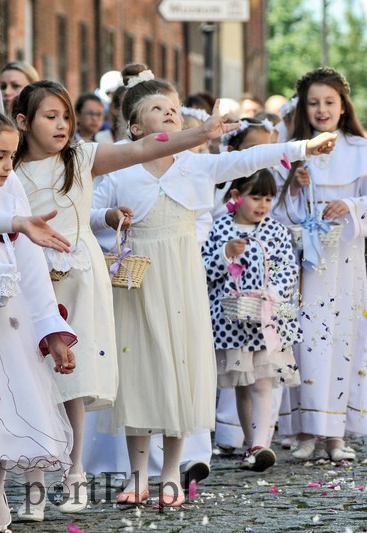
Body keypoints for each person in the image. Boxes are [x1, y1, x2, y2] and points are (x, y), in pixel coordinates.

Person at [90, 72, 335, 506]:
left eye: (174, 108)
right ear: (135, 128)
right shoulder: (120, 170)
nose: (169, 113)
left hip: (182, 281)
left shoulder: (197, 166)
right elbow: (88, 209)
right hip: (138, 282)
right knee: (139, 371)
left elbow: (251, 158)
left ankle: (170, 473)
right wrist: (109, 217)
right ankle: (137, 475)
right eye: (157, 110)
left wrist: (304, 148)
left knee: (180, 370)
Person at [9, 78, 243, 518]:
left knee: (72, 383)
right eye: (49, 116)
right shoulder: (10, 169)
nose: (61, 125)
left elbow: (140, 150)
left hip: (78, 279)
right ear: (22, 122)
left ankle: (75, 474)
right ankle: (34, 486)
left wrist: (199, 134)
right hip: (27, 283)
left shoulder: (80, 158)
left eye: (66, 117)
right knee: (29, 382)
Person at [276, 67, 367, 462]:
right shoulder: (291, 148)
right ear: (302, 109)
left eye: (329, 102)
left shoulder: (362, 151)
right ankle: (307, 430)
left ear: (343, 106)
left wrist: (352, 206)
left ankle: (337, 435)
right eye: (313, 103)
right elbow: (274, 208)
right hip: (301, 266)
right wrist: (295, 186)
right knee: (304, 342)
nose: (322, 110)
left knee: (342, 340)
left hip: (342, 262)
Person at [0, 112, 77, 530]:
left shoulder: (10, 186)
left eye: (11, 156)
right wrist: (14, 223)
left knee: (4, 419)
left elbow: (30, 267)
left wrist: (51, 331)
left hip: (6, 327)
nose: (7, 167)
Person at [202, 170, 301, 471]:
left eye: (268, 198)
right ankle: (250, 443)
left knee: (263, 381)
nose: (263, 205)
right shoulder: (220, 229)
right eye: (256, 197)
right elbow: (205, 270)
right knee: (243, 384)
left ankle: (261, 444)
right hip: (233, 321)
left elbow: (287, 269)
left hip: (268, 320)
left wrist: (271, 295)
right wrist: (226, 255)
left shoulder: (276, 230)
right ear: (236, 196)